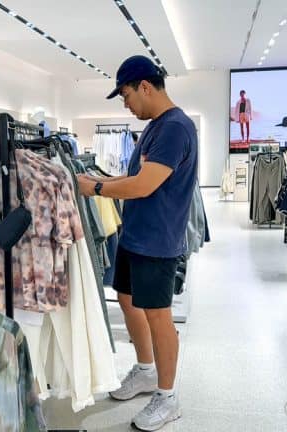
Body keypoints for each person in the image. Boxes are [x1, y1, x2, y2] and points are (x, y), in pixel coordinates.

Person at [76, 55, 197, 431]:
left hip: (158, 240)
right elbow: (134, 177)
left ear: (145, 86)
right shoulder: (155, 127)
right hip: (135, 234)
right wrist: (100, 179)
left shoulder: (174, 128)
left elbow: (144, 185)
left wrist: (96, 188)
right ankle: (146, 371)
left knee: (159, 316)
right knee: (128, 301)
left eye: (126, 95)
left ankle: (168, 397)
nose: (125, 104)